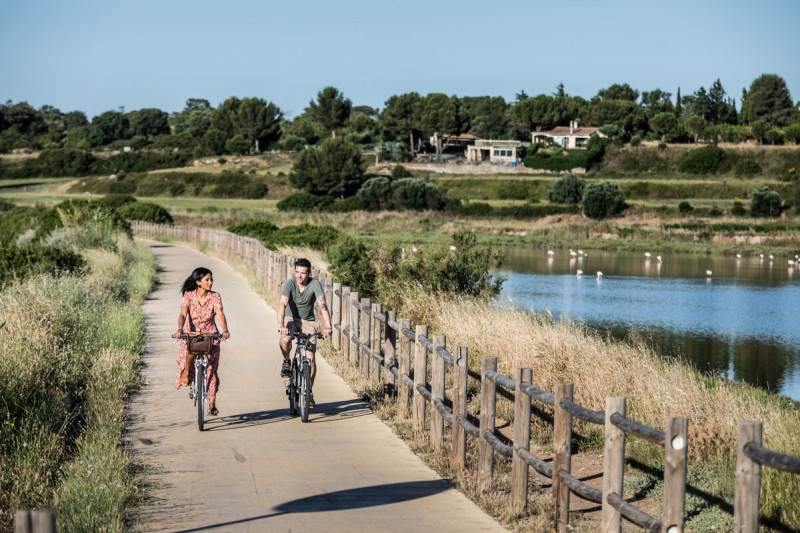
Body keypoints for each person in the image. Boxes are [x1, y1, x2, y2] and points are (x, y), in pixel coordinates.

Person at [173, 267, 230, 416]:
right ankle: (186, 373)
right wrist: (180, 330)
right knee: (189, 350)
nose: (210, 282)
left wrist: (225, 330)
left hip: (210, 335)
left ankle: (212, 404)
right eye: (207, 280)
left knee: (211, 369)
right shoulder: (188, 295)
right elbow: (183, 314)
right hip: (192, 333)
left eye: (211, 279)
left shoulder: (215, 296)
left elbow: (220, 314)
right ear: (198, 282)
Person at [277, 258, 332, 408]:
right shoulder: (290, 283)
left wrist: (327, 327)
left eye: (303, 273)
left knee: (311, 359)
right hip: (291, 318)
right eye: (297, 272)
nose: (299, 276)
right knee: (285, 338)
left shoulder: (314, 284)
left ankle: (308, 391)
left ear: (309, 273)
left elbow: (323, 305)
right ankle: (287, 361)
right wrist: (281, 325)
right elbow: (282, 303)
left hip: (308, 321)